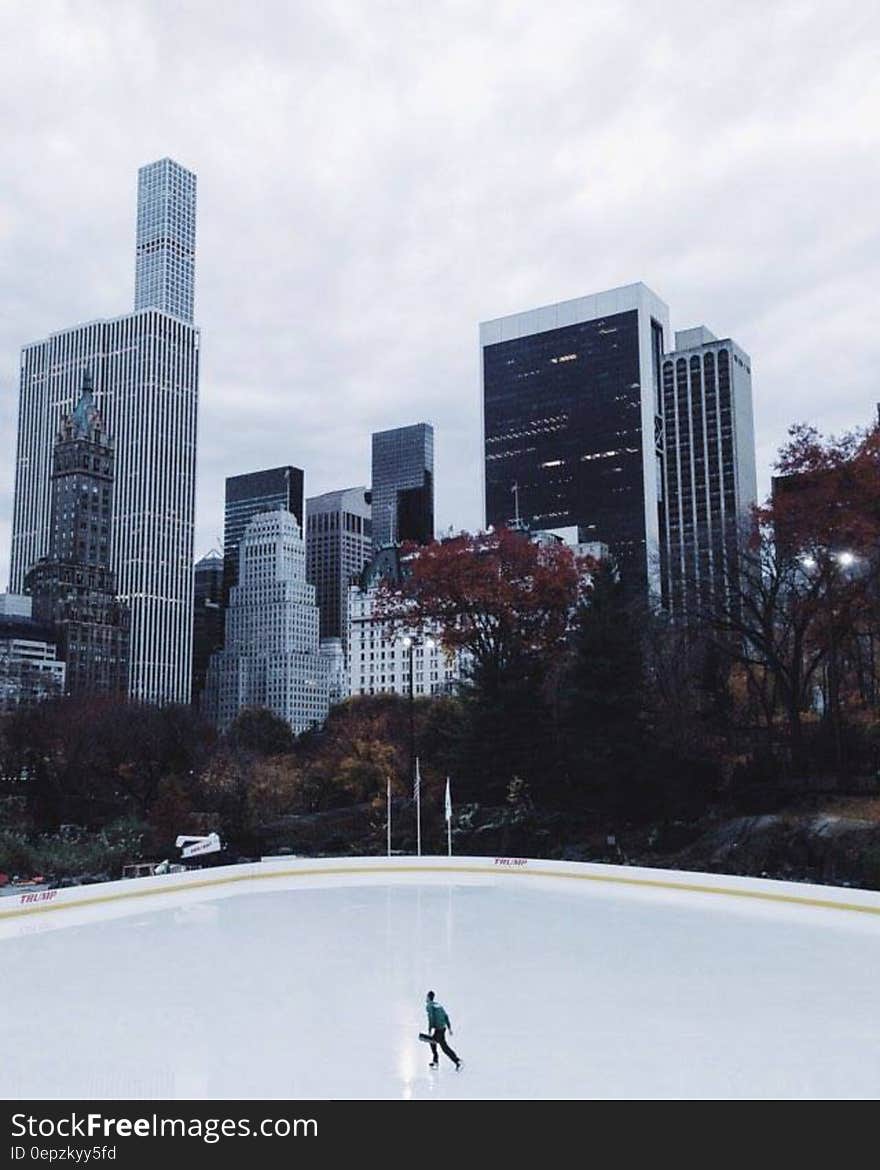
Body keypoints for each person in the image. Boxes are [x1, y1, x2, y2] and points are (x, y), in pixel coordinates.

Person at [425, 990, 462, 1070]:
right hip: (442, 1028)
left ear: (428, 997)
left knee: (444, 1048)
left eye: (426, 997)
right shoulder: (438, 1005)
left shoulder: (429, 1005)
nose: (426, 998)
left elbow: (431, 1018)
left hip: (439, 1030)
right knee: (432, 1042)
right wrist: (449, 1028)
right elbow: (446, 1016)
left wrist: (429, 1030)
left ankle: (457, 1061)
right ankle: (436, 1062)